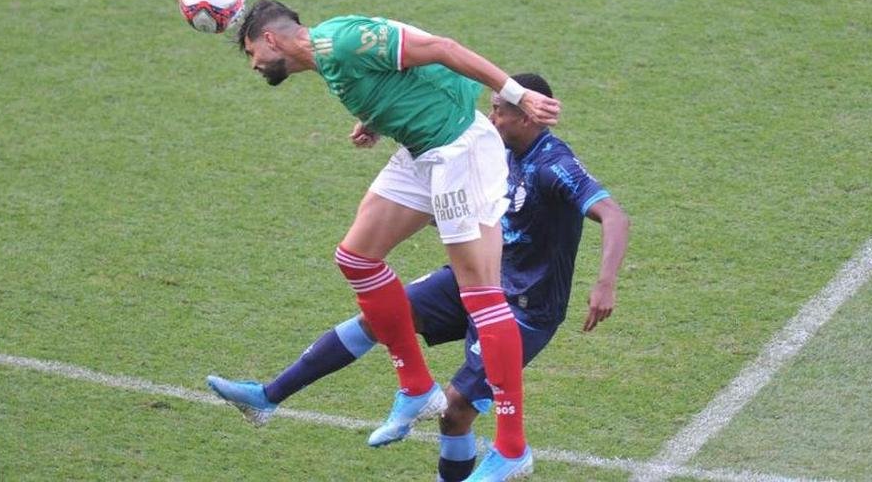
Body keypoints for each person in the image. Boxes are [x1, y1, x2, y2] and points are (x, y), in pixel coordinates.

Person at [208, 73, 631, 482]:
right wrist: (377, 128)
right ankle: (267, 397)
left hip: (526, 307)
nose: (492, 117)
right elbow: (437, 130)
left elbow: (613, 215)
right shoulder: (494, 148)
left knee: (455, 412)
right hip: (475, 279)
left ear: (526, 117)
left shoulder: (555, 166)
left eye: (499, 111)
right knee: (381, 318)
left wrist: (605, 283)